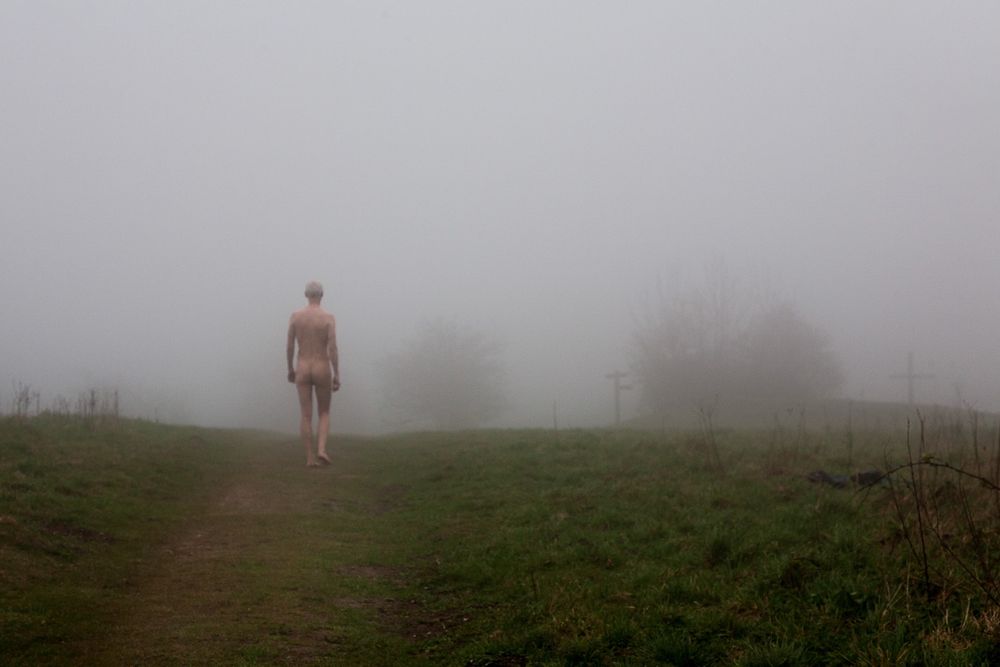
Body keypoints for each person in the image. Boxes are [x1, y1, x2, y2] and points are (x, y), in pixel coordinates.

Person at [287, 281, 340, 466]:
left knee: (306, 415)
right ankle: (321, 449)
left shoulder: (296, 316)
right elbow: (332, 348)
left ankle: (310, 458)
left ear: (306, 294)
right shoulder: (328, 318)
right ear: (322, 295)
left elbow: (290, 346)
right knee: (324, 412)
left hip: (302, 365)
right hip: (321, 365)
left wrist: (290, 369)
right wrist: (337, 374)